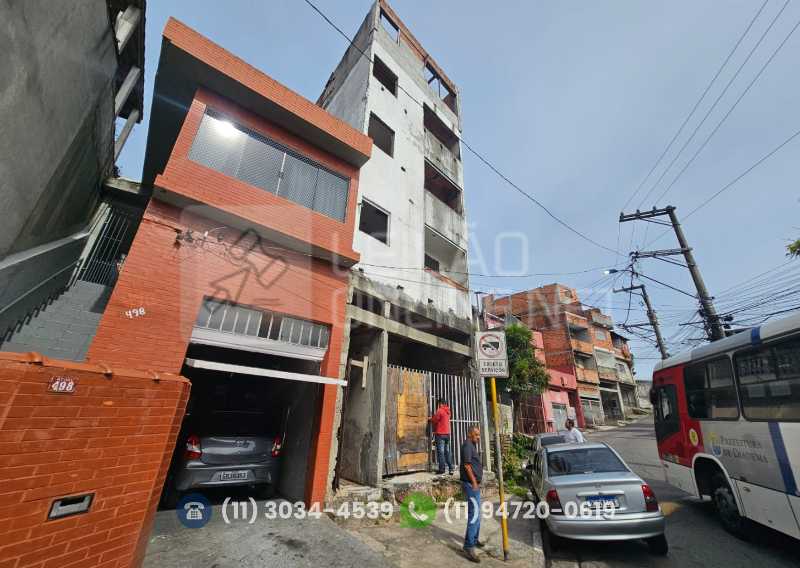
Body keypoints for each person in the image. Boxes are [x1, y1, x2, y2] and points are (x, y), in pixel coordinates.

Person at [460, 425, 485, 563]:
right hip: (470, 484)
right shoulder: (467, 445)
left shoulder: (472, 445)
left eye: (479, 435)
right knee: (474, 514)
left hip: (472, 484)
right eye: (476, 435)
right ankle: (468, 546)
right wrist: (474, 482)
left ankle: (474, 539)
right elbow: (467, 465)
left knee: (477, 513)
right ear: (469, 434)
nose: (478, 437)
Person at [428, 397, 453, 475]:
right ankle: (451, 469)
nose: (438, 405)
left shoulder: (439, 411)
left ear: (440, 403)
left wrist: (430, 419)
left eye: (438, 404)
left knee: (441, 453)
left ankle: (442, 470)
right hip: (447, 434)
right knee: (447, 452)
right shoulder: (448, 411)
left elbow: (436, 420)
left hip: (440, 434)